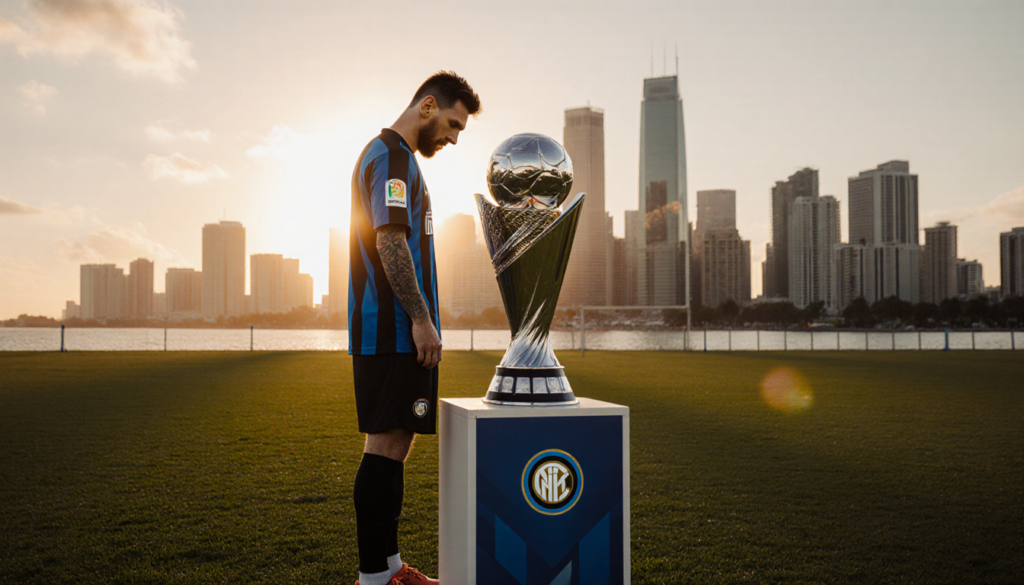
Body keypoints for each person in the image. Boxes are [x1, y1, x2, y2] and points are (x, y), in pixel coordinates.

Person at [348, 71, 481, 585]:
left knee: (393, 445)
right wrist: (422, 320)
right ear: (427, 106)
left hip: (395, 332)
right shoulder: (393, 157)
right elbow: (390, 242)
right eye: (452, 124)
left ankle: (391, 570)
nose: (451, 138)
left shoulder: (391, 158)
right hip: (394, 332)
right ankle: (374, 579)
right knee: (385, 446)